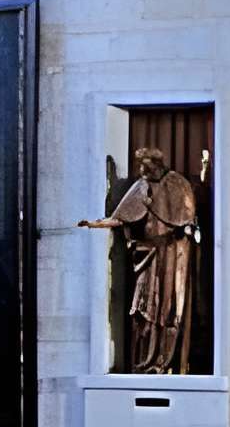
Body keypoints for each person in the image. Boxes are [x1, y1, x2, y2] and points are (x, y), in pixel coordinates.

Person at [80, 146, 201, 374]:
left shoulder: (178, 184)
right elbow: (121, 217)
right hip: (147, 255)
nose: (141, 171)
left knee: (168, 309)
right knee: (144, 309)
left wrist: (181, 228)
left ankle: (164, 361)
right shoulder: (142, 186)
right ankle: (144, 361)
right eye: (140, 167)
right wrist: (95, 224)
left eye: (145, 166)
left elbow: (186, 220)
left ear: (156, 165)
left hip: (173, 256)